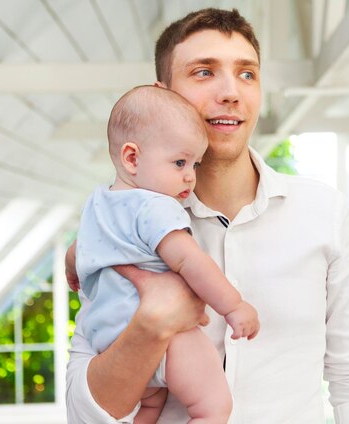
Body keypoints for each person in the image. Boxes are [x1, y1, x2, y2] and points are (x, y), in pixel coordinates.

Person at [66, 7, 349, 424]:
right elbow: (84, 411)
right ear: (162, 93)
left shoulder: (324, 212)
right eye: (204, 72)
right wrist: (150, 325)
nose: (231, 92)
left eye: (247, 74)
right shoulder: (121, 222)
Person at [75, 85, 259, 423]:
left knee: (148, 408)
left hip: (110, 339)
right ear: (132, 158)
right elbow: (190, 261)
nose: (190, 175)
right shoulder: (157, 206)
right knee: (213, 407)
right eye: (179, 162)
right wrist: (233, 306)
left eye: (195, 163)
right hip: (171, 340)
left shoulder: (96, 203)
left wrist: (74, 274)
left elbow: (78, 256)